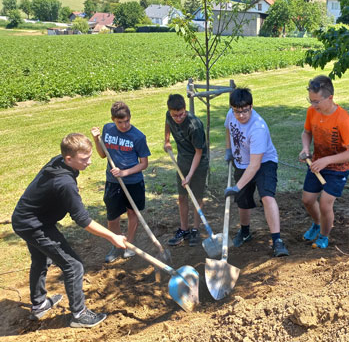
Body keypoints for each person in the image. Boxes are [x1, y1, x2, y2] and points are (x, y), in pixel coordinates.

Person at [11, 133, 127, 328]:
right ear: (69, 158)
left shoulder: (59, 162)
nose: (89, 162)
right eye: (84, 159)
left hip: (26, 219)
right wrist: (113, 236)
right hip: (34, 225)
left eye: (89, 156)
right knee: (74, 265)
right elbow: (83, 220)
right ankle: (79, 315)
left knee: (41, 259)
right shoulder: (64, 183)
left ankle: (39, 305)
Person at [224, 87, 289, 257]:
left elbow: (255, 165)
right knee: (243, 200)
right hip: (241, 162)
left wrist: (237, 186)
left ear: (251, 107)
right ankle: (245, 232)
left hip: (264, 162)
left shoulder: (258, 128)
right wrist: (228, 150)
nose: (241, 115)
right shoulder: (231, 114)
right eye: (237, 111)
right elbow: (228, 129)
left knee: (267, 196)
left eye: (245, 110)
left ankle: (277, 241)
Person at [300, 75, 349, 249]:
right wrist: (306, 148)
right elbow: (306, 133)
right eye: (311, 101)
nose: (313, 105)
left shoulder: (343, 119)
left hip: (338, 168)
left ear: (330, 97)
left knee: (326, 203)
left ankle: (323, 235)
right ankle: (317, 224)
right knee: (307, 200)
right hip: (318, 164)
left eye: (317, 101)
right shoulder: (312, 112)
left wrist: (328, 160)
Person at [91, 101, 150, 263]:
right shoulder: (108, 129)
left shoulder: (138, 137)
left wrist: (124, 172)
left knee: (132, 213)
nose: (124, 125)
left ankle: (129, 244)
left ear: (130, 118)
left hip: (133, 182)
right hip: (113, 182)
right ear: (113, 119)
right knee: (112, 217)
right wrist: (97, 140)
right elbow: (103, 155)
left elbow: (144, 164)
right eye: (120, 122)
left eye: (127, 121)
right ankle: (116, 245)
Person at [163, 94, 209, 246]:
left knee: (196, 198)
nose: (178, 118)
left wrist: (189, 176)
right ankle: (184, 229)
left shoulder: (194, 125)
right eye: (175, 115)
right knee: (182, 197)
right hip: (182, 161)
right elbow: (167, 123)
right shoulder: (169, 116)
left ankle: (195, 229)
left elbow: (199, 152)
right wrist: (167, 140)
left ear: (185, 109)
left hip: (198, 163)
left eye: (181, 114)